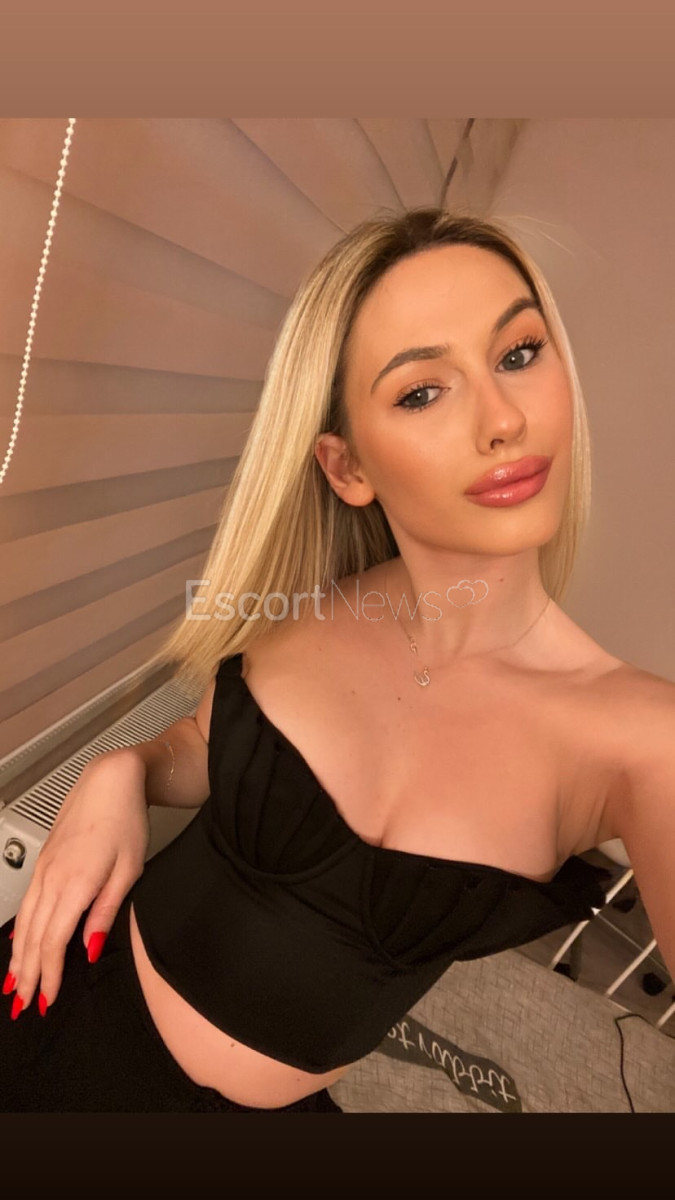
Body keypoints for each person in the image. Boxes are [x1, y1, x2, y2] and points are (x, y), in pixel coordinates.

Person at [1, 206, 673, 1113]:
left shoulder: (641, 739)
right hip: (51, 999)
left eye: (517, 353)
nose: (504, 419)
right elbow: (205, 745)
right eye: (421, 392)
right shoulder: (308, 598)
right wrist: (124, 768)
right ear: (346, 466)